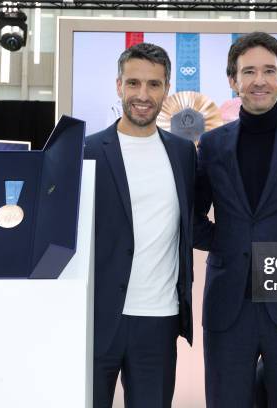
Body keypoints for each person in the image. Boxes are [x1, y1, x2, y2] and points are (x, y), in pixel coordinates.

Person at [194, 32, 277, 408]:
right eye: (249, 72)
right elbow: (193, 216)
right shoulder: (212, 145)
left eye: (268, 70)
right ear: (233, 80)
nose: (259, 80)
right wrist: (229, 242)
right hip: (229, 307)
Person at [83, 42, 195, 408]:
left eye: (153, 84)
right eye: (133, 83)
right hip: (97, 318)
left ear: (166, 89)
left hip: (159, 322)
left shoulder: (183, 153)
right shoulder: (87, 152)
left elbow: (195, 220)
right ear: (119, 86)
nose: (142, 95)